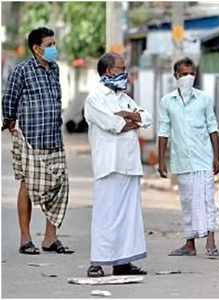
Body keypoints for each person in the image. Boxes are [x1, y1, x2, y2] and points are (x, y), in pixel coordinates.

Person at [2, 27, 73, 255]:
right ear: (36, 48)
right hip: (30, 139)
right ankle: (25, 238)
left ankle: (51, 238)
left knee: (60, 186)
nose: (53, 48)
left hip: (54, 138)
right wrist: (10, 121)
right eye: (49, 45)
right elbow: (9, 98)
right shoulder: (22, 70)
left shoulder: (55, 69)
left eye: (54, 44)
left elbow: (57, 98)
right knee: (28, 185)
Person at [84, 52, 151, 277]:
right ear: (108, 71)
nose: (125, 72)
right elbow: (115, 124)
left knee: (129, 216)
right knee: (106, 215)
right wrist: (130, 119)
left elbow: (147, 118)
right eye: (121, 68)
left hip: (129, 164)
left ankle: (123, 262)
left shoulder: (124, 97)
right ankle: (98, 262)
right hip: (108, 165)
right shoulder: (95, 98)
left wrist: (129, 115)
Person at [158, 57, 219, 257]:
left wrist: (217, 157)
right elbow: (163, 131)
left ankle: (211, 242)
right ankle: (190, 244)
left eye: (191, 73)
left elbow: (213, 127)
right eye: (184, 74)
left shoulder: (204, 99)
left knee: (206, 200)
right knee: (187, 201)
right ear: (175, 76)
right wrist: (161, 161)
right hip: (182, 159)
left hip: (203, 157)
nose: (188, 77)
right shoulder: (167, 101)